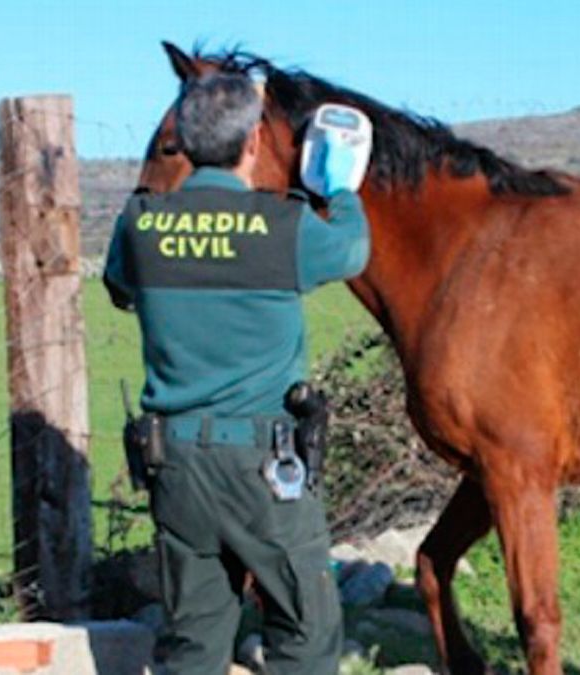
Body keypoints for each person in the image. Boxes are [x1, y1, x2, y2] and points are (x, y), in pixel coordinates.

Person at [104, 72, 370, 675]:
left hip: (175, 466)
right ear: (254, 141)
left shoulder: (139, 225)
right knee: (305, 633)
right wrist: (341, 189)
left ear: (184, 143)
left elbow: (119, 282)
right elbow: (353, 251)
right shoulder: (286, 227)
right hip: (263, 469)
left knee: (193, 644)